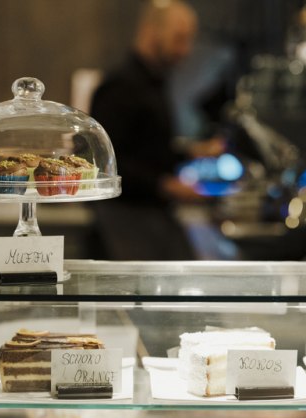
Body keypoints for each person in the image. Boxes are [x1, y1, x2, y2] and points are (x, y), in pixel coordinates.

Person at [90, 0, 222, 260]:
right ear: (151, 32)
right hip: (126, 219)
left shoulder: (155, 82)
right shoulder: (119, 87)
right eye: (179, 39)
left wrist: (191, 152)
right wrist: (166, 186)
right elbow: (103, 163)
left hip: (154, 216)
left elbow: (150, 150)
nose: (186, 50)